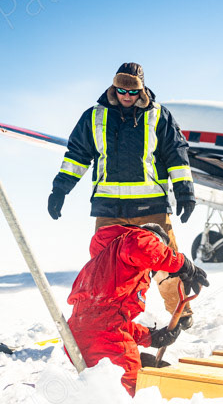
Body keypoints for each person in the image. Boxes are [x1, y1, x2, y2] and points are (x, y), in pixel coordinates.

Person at [48, 62, 198, 328]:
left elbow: (176, 155)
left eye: (132, 92)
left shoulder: (159, 116)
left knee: (166, 264)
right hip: (109, 211)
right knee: (106, 271)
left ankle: (181, 315)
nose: (126, 96)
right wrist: (60, 189)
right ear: (113, 87)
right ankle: (105, 321)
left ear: (142, 90)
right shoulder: (94, 116)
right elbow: (76, 156)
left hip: (151, 207)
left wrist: (185, 192)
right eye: (121, 91)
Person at [66, 223, 209, 396]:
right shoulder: (134, 240)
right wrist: (183, 264)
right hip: (106, 340)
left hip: (81, 335)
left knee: (101, 392)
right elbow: (141, 245)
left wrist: (150, 336)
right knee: (130, 395)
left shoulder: (113, 266)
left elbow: (107, 320)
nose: (154, 268)